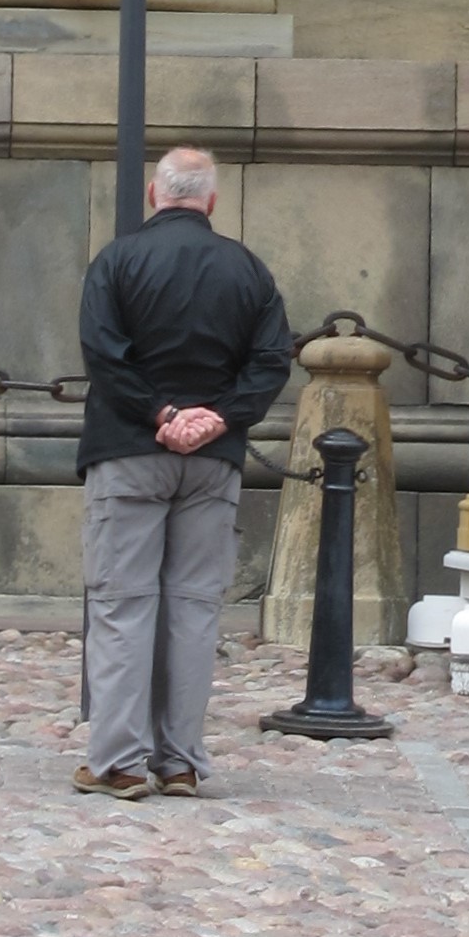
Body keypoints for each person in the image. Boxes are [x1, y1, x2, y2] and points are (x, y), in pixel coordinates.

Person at [72, 145, 293, 800]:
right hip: (212, 461)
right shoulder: (248, 269)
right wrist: (216, 418)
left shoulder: (117, 260)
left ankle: (117, 759)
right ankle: (179, 760)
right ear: (212, 200)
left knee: (122, 603)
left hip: (128, 451)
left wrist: (159, 411)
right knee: (194, 609)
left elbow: (103, 353)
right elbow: (271, 359)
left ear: (153, 193)